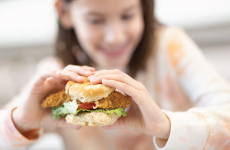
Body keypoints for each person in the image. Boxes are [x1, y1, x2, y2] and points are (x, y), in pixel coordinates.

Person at [1, 0, 230, 149]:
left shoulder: (170, 47)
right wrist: (20, 121)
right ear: (64, 12)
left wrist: (166, 125)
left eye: (127, 16)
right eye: (95, 20)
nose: (115, 37)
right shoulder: (54, 78)